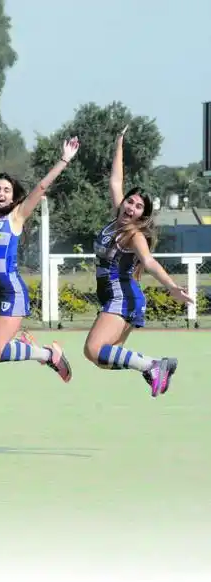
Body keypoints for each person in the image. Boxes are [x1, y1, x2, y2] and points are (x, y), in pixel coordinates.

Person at [0, 120, 78, 380]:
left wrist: (64, 160)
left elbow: (41, 188)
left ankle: (48, 355)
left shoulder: (16, 217)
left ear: (13, 198)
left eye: (7, 190)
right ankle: (24, 345)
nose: (1, 192)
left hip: (10, 291)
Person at [81, 126, 190, 396]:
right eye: (130, 202)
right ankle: (152, 366)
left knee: (93, 350)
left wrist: (172, 287)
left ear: (143, 216)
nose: (131, 207)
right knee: (102, 360)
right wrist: (119, 142)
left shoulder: (134, 235)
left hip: (123, 297)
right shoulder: (117, 218)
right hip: (114, 297)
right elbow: (115, 181)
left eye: (138, 207)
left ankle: (153, 365)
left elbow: (150, 263)